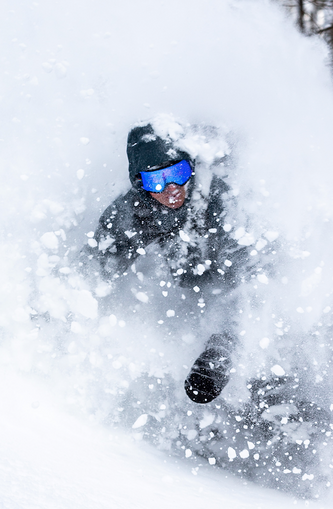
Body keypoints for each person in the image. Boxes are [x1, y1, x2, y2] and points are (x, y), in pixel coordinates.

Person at [85, 120, 255, 404]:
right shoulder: (134, 211)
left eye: (178, 173)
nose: (172, 188)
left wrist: (223, 350)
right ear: (141, 184)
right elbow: (96, 266)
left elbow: (249, 282)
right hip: (197, 278)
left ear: (190, 167)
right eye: (157, 180)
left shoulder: (220, 199)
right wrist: (54, 307)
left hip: (250, 282)